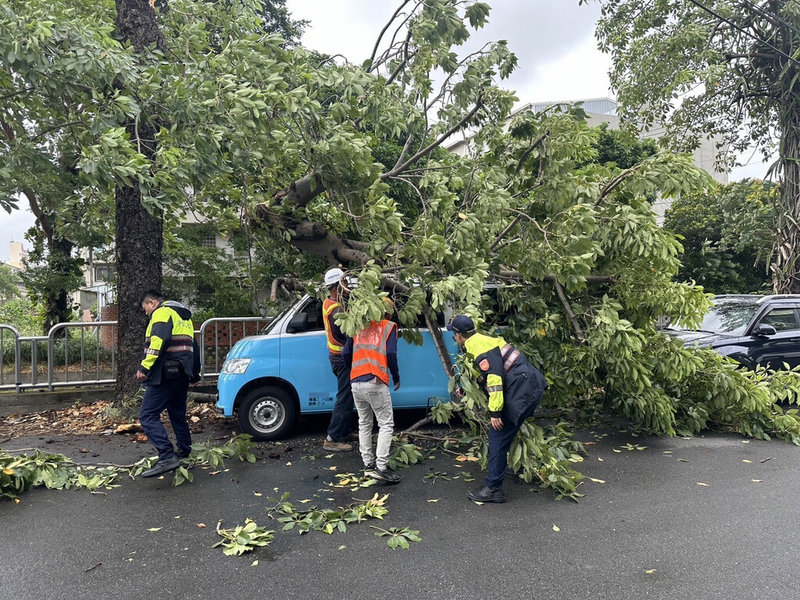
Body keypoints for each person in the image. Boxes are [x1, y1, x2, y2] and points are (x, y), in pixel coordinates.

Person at [448, 314, 547, 503]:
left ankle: (493, 489)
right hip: (528, 386)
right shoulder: (482, 340)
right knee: (506, 433)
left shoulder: (476, 347)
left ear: (459, 335)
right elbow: (486, 374)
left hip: (522, 390)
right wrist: (465, 389)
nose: (454, 338)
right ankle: (510, 469)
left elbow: (494, 379)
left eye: (454, 334)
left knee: (497, 434)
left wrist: (495, 413)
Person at [136, 289, 200, 478]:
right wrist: (194, 374)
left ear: (152, 303)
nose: (146, 312)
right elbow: (193, 347)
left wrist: (144, 367)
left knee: (147, 415)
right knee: (177, 414)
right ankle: (184, 453)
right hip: (181, 373)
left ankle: (166, 456)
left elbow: (157, 341)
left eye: (145, 308)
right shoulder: (184, 318)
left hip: (165, 373)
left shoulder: (162, 313)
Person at [342, 297, 401, 483]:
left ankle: (368, 465)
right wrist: (396, 377)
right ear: (388, 312)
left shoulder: (358, 326)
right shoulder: (388, 326)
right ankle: (381, 467)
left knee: (364, 423)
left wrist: (353, 370)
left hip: (356, 381)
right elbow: (391, 353)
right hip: (375, 380)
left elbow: (345, 353)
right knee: (386, 424)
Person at [321, 267, 355, 452]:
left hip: (336, 357)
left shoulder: (329, 303)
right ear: (337, 286)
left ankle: (344, 431)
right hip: (341, 359)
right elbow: (347, 334)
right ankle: (332, 438)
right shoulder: (337, 312)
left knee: (348, 395)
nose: (348, 286)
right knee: (344, 396)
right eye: (345, 283)